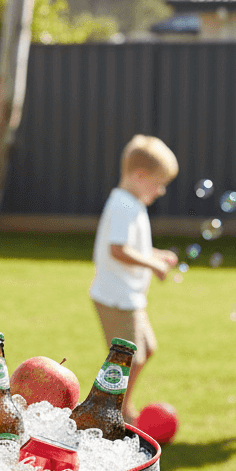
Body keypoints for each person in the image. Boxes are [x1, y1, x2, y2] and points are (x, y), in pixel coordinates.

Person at [89, 134, 180, 424]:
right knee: (131, 358)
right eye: (159, 183)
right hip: (115, 296)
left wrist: (155, 253)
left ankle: (120, 407)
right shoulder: (124, 205)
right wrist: (152, 264)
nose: (161, 190)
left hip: (128, 295)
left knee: (146, 350)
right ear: (140, 175)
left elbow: (130, 246)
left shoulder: (131, 202)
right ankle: (110, 411)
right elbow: (118, 250)